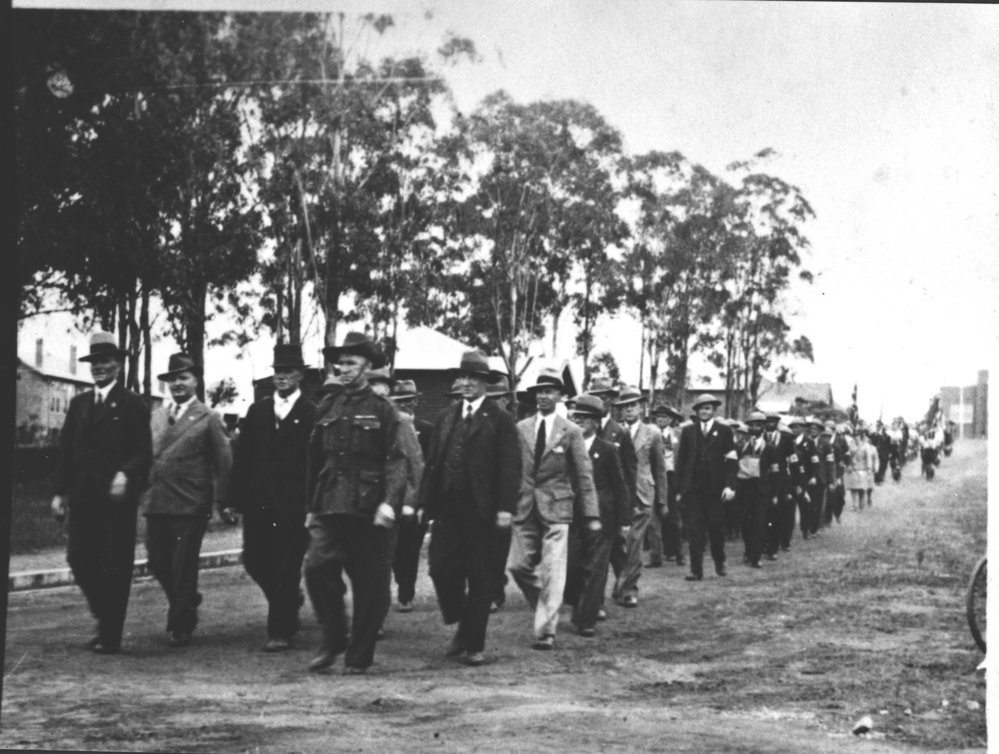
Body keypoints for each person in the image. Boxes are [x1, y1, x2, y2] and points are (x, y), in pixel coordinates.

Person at [303, 332, 406, 674]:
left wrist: (389, 502)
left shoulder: (383, 410)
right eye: (340, 363)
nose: (344, 369)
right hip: (330, 502)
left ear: (367, 366)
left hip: (369, 505)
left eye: (351, 363)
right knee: (316, 568)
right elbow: (314, 459)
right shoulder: (328, 407)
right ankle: (333, 636)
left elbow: (395, 460)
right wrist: (309, 507)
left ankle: (359, 656)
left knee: (369, 583)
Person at [50, 332, 152, 654]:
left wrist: (125, 473)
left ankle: (111, 634)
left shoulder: (132, 404)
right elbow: (66, 451)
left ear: (118, 365)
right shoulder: (79, 404)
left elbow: (143, 452)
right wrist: (58, 492)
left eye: (106, 361)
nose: (99, 368)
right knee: (78, 557)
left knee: (115, 564)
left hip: (115, 499)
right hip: (82, 496)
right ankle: (104, 615)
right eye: (94, 362)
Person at [418, 350, 521, 666]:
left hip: (484, 511)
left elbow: (510, 467)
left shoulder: (500, 419)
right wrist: (424, 502)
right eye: (462, 378)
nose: (465, 384)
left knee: (481, 578)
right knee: (439, 568)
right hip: (448, 508)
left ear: (484, 384)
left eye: (473, 379)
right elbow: (433, 463)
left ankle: (474, 644)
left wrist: (505, 507)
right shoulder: (447, 416)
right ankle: (462, 622)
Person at [223, 344, 316, 652]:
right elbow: (244, 458)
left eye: (288, 371)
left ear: (300, 375)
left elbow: (316, 464)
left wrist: (312, 506)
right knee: (255, 561)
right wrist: (232, 500)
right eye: (277, 371)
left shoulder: (311, 412)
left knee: (287, 567)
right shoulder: (258, 410)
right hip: (259, 504)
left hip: (293, 507)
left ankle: (280, 630)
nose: (281, 377)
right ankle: (289, 601)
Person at [145, 353, 233, 648]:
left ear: (195, 380)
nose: (177, 383)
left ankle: (180, 622)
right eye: (173, 379)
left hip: (191, 503)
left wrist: (224, 502)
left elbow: (224, 463)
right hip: (158, 500)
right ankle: (187, 600)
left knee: (183, 565)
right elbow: (150, 456)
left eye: (183, 377)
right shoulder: (157, 416)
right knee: (157, 561)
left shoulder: (208, 417)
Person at [509, 367, 600, 650]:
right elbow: (511, 468)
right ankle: (549, 605)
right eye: (539, 392)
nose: (543, 397)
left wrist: (592, 514)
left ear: (561, 396)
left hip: (558, 508)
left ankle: (546, 630)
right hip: (524, 506)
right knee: (518, 566)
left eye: (549, 391)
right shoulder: (520, 428)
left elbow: (584, 475)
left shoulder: (570, 431)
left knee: (553, 569)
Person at [563, 394, 630, 637]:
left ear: (596, 422)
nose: (579, 422)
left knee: (596, 567)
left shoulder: (608, 450)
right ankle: (577, 603)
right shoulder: (566, 448)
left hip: (604, 518)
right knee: (572, 565)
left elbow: (620, 486)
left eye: (585, 419)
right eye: (575, 417)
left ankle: (586, 618)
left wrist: (624, 521)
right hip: (572, 515)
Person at [609, 386, 667, 607]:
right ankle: (622, 582)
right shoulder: (613, 431)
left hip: (642, 494)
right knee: (618, 544)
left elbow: (659, 468)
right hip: (617, 494)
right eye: (624, 407)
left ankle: (629, 589)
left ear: (641, 407)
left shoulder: (652, 433)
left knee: (634, 544)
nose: (629, 410)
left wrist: (662, 499)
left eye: (633, 405)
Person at [674, 394, 738, 581]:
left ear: (714, 410)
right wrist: (679, 489)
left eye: (708, 408)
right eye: (701, 408)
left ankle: (720, 561)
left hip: (716, 490)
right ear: (696, 411)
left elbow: (732, 461)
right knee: (694, 530)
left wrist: (730, 486)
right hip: (693, 489)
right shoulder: (688, 432)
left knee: (716, 528)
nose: (704, 411)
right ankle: (696, 570)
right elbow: (681, 462)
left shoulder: (724, 431)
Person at [388, 379, 431, 613]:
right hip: (392, 498)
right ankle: (397, 584)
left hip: (415, 501)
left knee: (411, 549)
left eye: (408, 400)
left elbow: (428, 467)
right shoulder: (389, 427)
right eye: (399, 401)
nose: (404, 405)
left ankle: (406, 592)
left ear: (416, 401)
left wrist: (422, 502)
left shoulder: (427, 429)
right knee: (392, 550)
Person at [484, 374, 516, 612]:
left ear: (506, 399)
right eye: (489, 398)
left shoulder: (512, 426)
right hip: (478, 499)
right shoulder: (477, 422)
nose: (493, 403)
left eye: (497, 398)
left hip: (503, 499)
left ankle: (495, 592)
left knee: (497, 550)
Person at [735, 412, 777, 569]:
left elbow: (775, 472)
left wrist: (774, 493)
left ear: (763, 427)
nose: (755, 427)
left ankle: (756, 556)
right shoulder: (740, 446)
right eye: (752, 424)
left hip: (762, 489)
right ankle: (748, 550)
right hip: (744, 489)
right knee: (745, 522)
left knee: (759, 523)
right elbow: (733, 467)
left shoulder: (770, 448)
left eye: (758, 425)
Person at [652, 404, 685, 567]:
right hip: (655, 478)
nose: (661, 420)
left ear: (671, 419)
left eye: (664, 417)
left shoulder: (678, 435)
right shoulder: (651, 434)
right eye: (658, 417)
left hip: (672, 478)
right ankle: (659, 555)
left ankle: (678, 554)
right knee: (655, 518)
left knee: (674, 518)